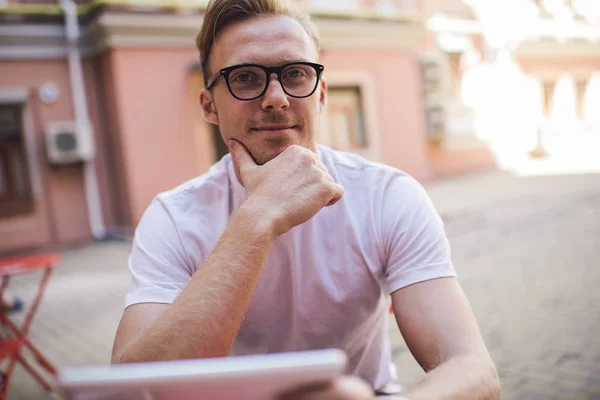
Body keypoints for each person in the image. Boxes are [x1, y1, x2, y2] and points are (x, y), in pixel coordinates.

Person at [111, 0, 501, 399]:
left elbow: (471, 368)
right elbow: (136, 389)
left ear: (322, 93)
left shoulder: (387, 196)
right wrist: (258, 218)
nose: (276, 97)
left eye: (296, 74)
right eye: (245, 78)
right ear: (209, 106)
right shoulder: (173, 218)